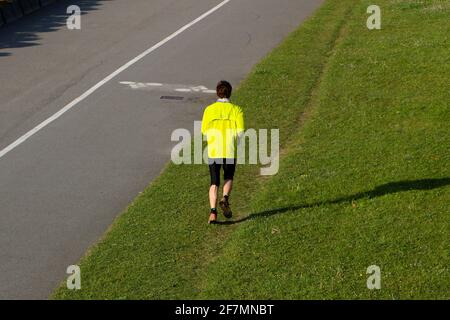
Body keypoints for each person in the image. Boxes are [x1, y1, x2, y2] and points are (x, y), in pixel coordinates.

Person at [201, 81, 245, 224]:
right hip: (229, 150)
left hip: (213, 150)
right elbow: (240, 132)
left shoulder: (209, 109)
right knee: (228, 176)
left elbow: (204, 132)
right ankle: (225, 198)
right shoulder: (237, 110)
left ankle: (213, 213)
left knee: (214, 182)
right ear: (230, 93)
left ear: (217, 93)